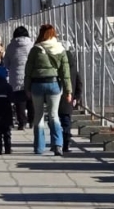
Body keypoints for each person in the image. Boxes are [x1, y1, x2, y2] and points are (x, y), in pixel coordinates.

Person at [24, 23, 72, 155]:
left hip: (37, 85)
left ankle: (39, 147)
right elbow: (65, 72)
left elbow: (28, 71)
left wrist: (27, 88)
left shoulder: (36, 49)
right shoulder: (60, 49)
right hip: (54, 84)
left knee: (38, 116)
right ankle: (57, 145)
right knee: (53, 115)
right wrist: (68, 91)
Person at [3, 26, 33, 130]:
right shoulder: (32, 45)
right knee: (31, 100)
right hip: (30, 75)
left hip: (16, 76)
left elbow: (6, 63)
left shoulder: (11, 46)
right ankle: (32, 121)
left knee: (20, 101)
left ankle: (22, 123)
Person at [58, 47, 83, 153]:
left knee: (55, 121)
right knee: (66, 122)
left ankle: (58, 142)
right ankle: (66, 144)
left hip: (57, 98)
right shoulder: (74, 70)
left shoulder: (58, 69)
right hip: (69, 99)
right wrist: (76, 97)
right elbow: (79, 84)